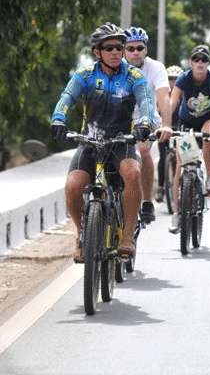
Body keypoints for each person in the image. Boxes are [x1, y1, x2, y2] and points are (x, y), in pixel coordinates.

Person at [50, 23, 157, 259]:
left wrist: (146, 123)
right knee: (73, 186)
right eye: (109, 48)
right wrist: (58, 118)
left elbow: (146, 101)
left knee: (132, 173)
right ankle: (81, 235)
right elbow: (67, 97)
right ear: (97, 52)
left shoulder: (133, 76)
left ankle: (128, 236)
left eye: (119, 47)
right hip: (90, 140)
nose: (116, 52)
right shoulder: (85, 75)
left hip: (122, 141)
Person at [168, 45, 210, 233]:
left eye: (204, 60)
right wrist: (166, 124)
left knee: (208, 135)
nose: (200, 63)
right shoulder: (184, 78)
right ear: (191, 62)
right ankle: (177, 214)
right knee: (180, 165)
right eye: (196, 59)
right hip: (186, 122)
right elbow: (173, 100)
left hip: (209, 119)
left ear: (208, 63)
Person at [123, 26, 172, 223]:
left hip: (148, 118)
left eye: (139, 48)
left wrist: (167, 124)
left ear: (146, 49)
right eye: (131, 48)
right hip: (122, 119)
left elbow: (163, 97)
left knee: (143, 150)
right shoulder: (116, 65)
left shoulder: (156, 67)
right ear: (124, 49)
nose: (135, 52)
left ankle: (146, 201)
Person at [156, 65, 184, 202]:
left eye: (176, 79)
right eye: (170, 79)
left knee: (182, 157)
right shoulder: (162, 94)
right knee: (163, 156)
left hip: (179, 128)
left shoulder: (184, 95)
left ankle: (182, 186)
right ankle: (161, 187)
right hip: (163, 128)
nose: (173, 82)